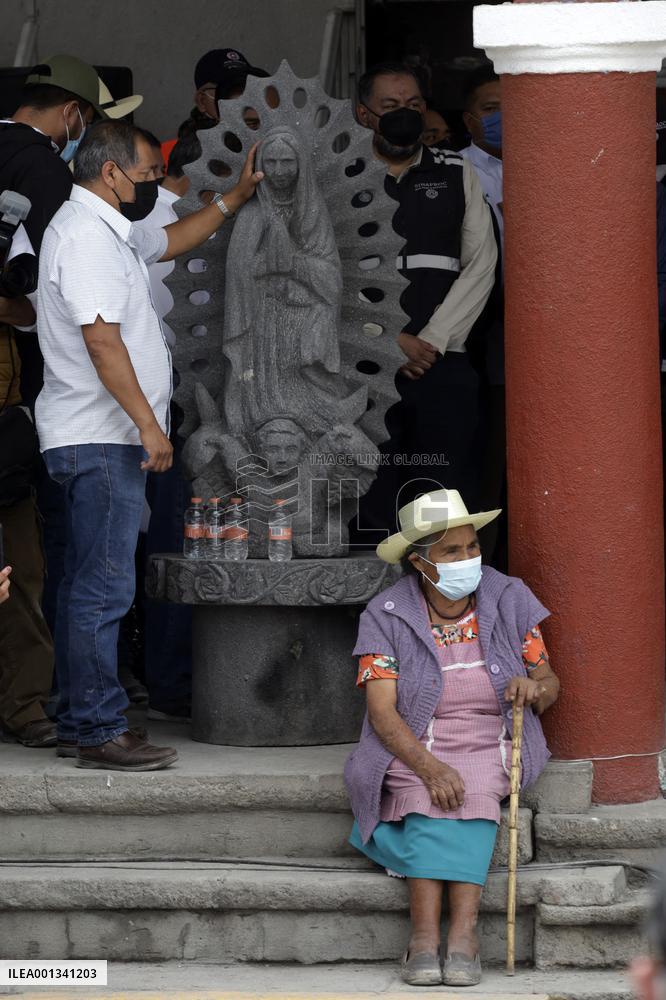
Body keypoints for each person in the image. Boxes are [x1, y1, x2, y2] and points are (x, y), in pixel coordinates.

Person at [36, 120, 263, 770]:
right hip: (102, 436)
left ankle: (81, 720)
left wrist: (234, 197)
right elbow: (102, 341)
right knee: (103, 588)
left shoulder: (106, 229)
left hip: (97, 435)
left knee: (86, 583)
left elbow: (170, 240)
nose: (151, 188)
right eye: (144, 177)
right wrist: (147, 424)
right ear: (110, 173)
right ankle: (99, 729)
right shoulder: (85, 238)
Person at [345, 488, 559, 986]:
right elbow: (382, 711)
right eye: (452, 551)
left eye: (472, 547)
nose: (468, 558)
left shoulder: (508, 597)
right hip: (414, 739)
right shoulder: (386, 613)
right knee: (425, 794)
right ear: (420, 563)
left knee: (476, 789)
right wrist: (429, 767)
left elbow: (549, 682)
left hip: (491, 734)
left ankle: (462, 935)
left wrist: (534, 689)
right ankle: (424, 936)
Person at [0, 55, 107, 749]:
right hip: (15, 400)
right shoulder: (41, 170)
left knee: (21, 563)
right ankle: (26, 707)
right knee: (24, 567)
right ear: (71, 113)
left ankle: (26, 706)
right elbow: (50, 292)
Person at [353, 63, 497, 542]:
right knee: (368, 499)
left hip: (441, 363)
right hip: (362, 367)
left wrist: (431, 340)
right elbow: (324, 272)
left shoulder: (456, 171)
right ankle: (373, 592)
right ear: (364, 114)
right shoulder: (341, 176)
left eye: (414, 105)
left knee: (441, 498)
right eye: (391, 106)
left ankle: (440, 588)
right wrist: (387, 340)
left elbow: (481, 263)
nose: (405, 114)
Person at [135, 132, 202, 722]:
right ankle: (167, 680)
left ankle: (178, 676)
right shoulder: (143, 219)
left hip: (206, 395)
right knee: (171, 535)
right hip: (160, 398)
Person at [163, 48, 269, 163]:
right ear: (202, 101)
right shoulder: (178, 156)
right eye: (228, 90)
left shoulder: (269, 139)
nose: (243, 99)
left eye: (249, 88)